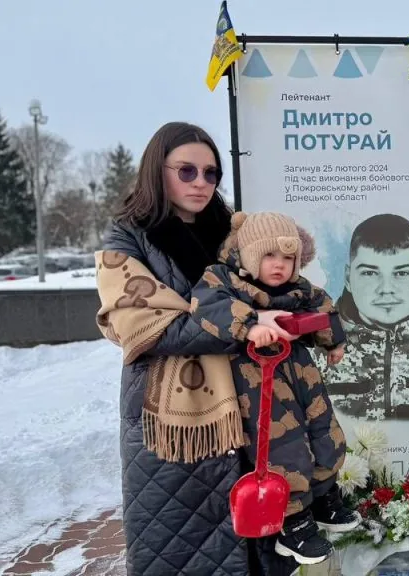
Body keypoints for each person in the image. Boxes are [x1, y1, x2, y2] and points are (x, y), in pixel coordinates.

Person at [94, 122, 299, 576]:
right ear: (157, 170)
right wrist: (245, 323)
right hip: (171, 419)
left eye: (211, 174)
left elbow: (274, 289)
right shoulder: (128, 238)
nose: (201, 183)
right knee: (179, 544)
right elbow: (147, 326)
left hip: (249, 404)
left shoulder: (233, 234)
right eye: (187, 171)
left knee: (260, 541)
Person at [189, 211, 358, 565]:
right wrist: (249, 325)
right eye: (269, 256)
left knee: (324, 429)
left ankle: (325, 494)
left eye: (288, 258)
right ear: (249, 254)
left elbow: (324, 308)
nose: (279, 266)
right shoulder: (226, 279)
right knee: (283, 444)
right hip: (258, 378)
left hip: (300, 371)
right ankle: (292, 521)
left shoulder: (298, 289)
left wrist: (332, 341)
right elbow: (206, 306)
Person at [321, 213, 409, 420]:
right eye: (370, 273)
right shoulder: (317, 353)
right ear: (348, 278)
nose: (386, 289)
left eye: (401, 273)